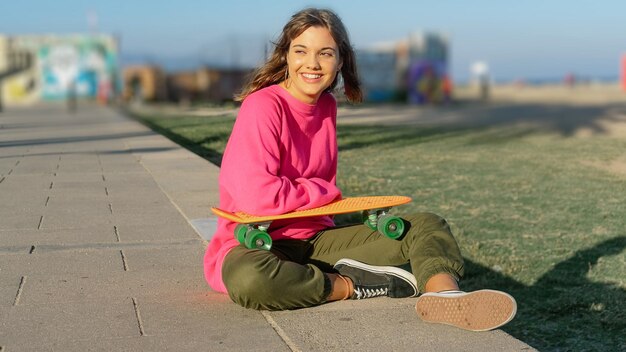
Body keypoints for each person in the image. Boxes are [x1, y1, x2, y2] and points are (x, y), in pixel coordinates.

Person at [203, 7, 516, 332]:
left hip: (318, 240)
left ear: (340, 61)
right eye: (301, 51)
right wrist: (322, 191)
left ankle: (445, 298)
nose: (312, 63)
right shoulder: (264, 106)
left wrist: (313, 197)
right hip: (257, 243)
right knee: (250, 280)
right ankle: (351, 283)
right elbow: (257, 199)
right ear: (285, 55)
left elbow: (300, 195)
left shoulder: (326, 105)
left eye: (325, 53)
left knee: (426, 225)